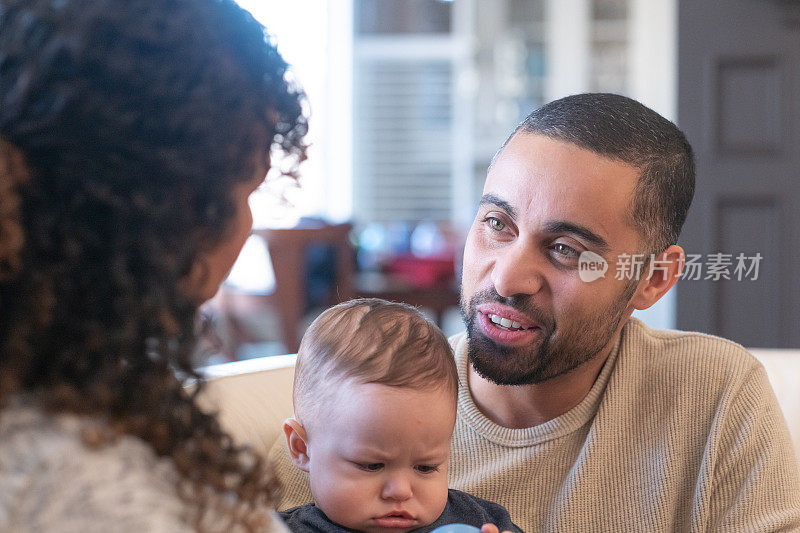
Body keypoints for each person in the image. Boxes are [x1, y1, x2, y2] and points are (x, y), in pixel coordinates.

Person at [270, 93, 800, 531]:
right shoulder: (349, 411)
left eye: (566, 249)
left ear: (652, 279)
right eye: (497, 223)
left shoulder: (715, 394)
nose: (506, 277)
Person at [0, 0, 307, 531]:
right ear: (178, 209)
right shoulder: (98, 493)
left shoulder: (74, 393)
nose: (246, 224)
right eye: (249, 189)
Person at [279, 298, 521, 533]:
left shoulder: (480, 521)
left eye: (425, 468)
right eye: (372, 465)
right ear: (301, 447)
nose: (401, 491)